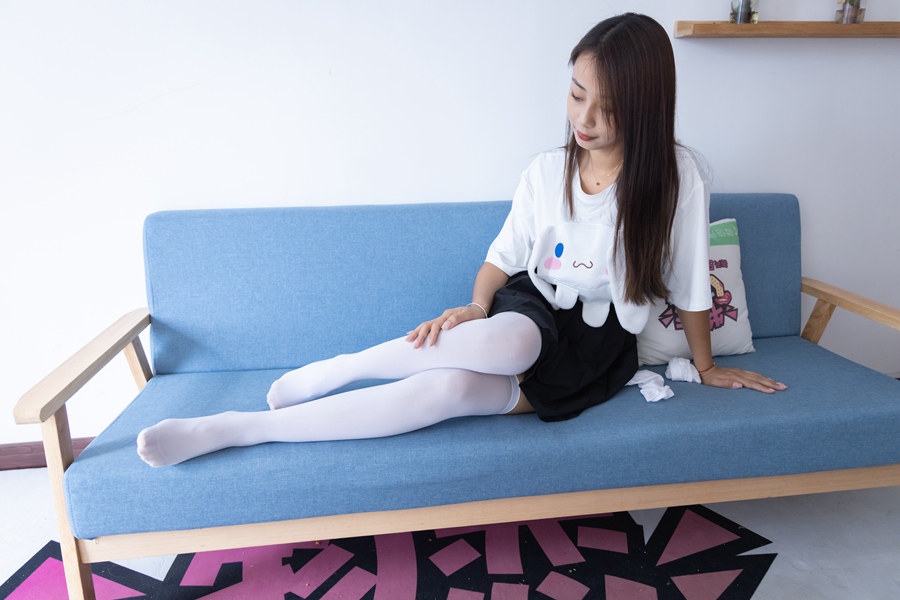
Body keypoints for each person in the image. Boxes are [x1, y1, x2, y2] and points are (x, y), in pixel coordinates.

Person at [137, 13, 785, 468]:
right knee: (514, 340)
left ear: (644, 108)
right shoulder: (545, 173)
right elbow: (503, 259)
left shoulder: (679, 178)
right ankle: (333, 373)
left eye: (607, 108)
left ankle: (246, 429)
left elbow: (692, 282)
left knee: (448, 393)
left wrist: (706, 366)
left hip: (597, 348)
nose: (584, 119)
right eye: (576, 94)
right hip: (533, 307)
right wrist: (477, 307)